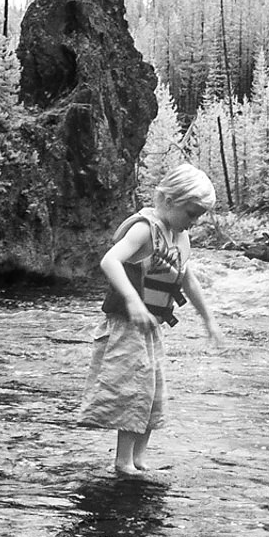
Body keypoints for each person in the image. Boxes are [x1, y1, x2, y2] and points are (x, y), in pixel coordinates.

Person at [76, 163, 225, 476]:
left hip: (151, 327)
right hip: (125, 325)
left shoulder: (179, 237)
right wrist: (132, 300)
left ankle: (139, 459)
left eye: (199, 216)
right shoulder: (145, 229)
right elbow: (110, 261)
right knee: (133, 390)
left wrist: (209, 320)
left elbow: (187, 280)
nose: (194, 222)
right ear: (169, 202)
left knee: (153, 392)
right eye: (191, 213)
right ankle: (123, 461)